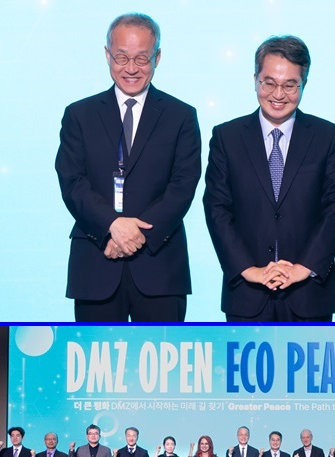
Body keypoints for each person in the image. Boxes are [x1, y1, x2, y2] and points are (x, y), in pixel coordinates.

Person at [55, 12, 201, 322]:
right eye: (121, 57)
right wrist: (112, 225)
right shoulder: (79, 115)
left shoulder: (181, 116)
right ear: (107, 55)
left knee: (163, 353)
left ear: (157, 57)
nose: (131, 68)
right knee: (96, 353)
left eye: (141, 58)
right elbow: (72, 181)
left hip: (160, 266)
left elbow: (183, 184)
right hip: (96, 261)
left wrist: (136, 234)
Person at [204, 35, 335, 322]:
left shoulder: (328, 137)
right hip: (246, 295)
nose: (278, 94)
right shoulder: (226, 137)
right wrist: (249, 270)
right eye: (269, 83)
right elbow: (217, 209)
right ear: (255, 80)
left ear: (304, 84)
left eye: (290, 85)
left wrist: (303, 268)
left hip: (309, 295)